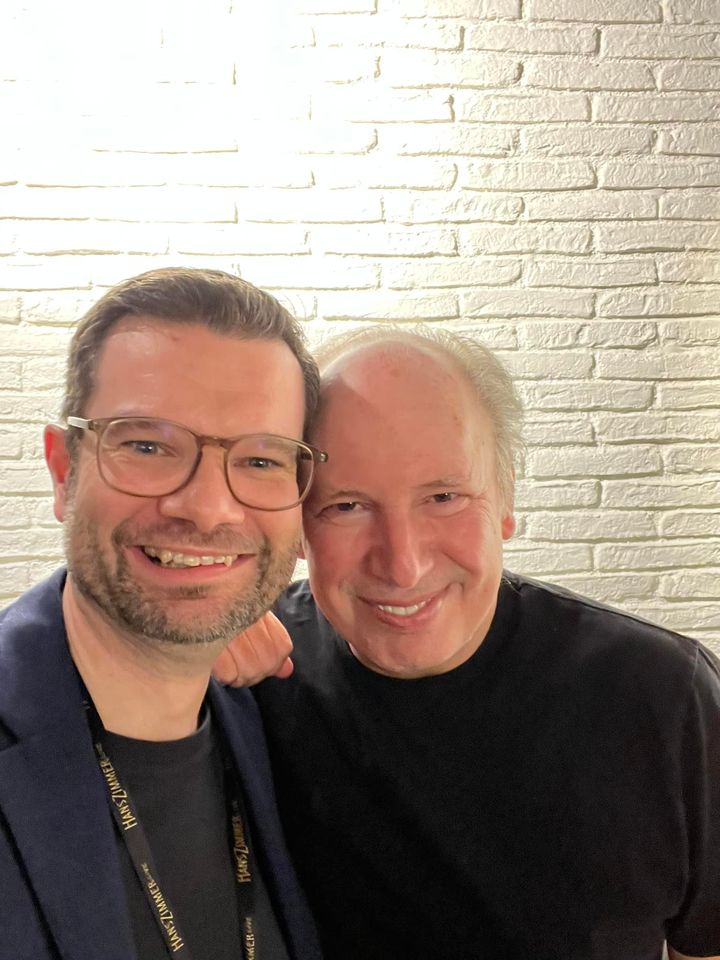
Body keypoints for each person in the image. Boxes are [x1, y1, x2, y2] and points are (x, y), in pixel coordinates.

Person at [233, 326, 720, 960]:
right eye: (346, 506)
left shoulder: (662, 694)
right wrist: (184, 648)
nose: (402, 565)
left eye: (443, 496)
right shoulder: (249, 678)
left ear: (505, 500)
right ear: (297, 525)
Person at [0, 268, 324, 960]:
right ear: (64, 471)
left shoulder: (290, 724)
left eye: (261, 460)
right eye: (146, 446)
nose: (207, 509)